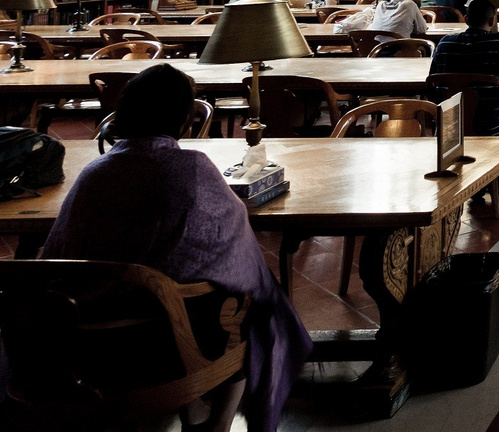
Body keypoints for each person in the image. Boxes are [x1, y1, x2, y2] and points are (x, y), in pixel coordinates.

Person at [41, 65, 311, 432]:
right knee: (253, 297)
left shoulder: (95, 172)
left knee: (173, 284)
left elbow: (55, 256)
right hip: (159, 343)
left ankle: (193, 414)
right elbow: (234, 247)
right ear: (185, 119)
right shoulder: (191, 168)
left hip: (79, 337)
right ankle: (216, 425)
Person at [428, 0, 499, 133]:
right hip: (490, 128)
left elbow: (433, 82)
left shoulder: (444, 44)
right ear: (492, 21)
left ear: (466, 19)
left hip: (450, 128)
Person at [338, 0, 428, 37]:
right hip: (400, 48)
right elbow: (421, 29)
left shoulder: (380, 5)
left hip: (377, 49)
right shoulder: (409, 4)